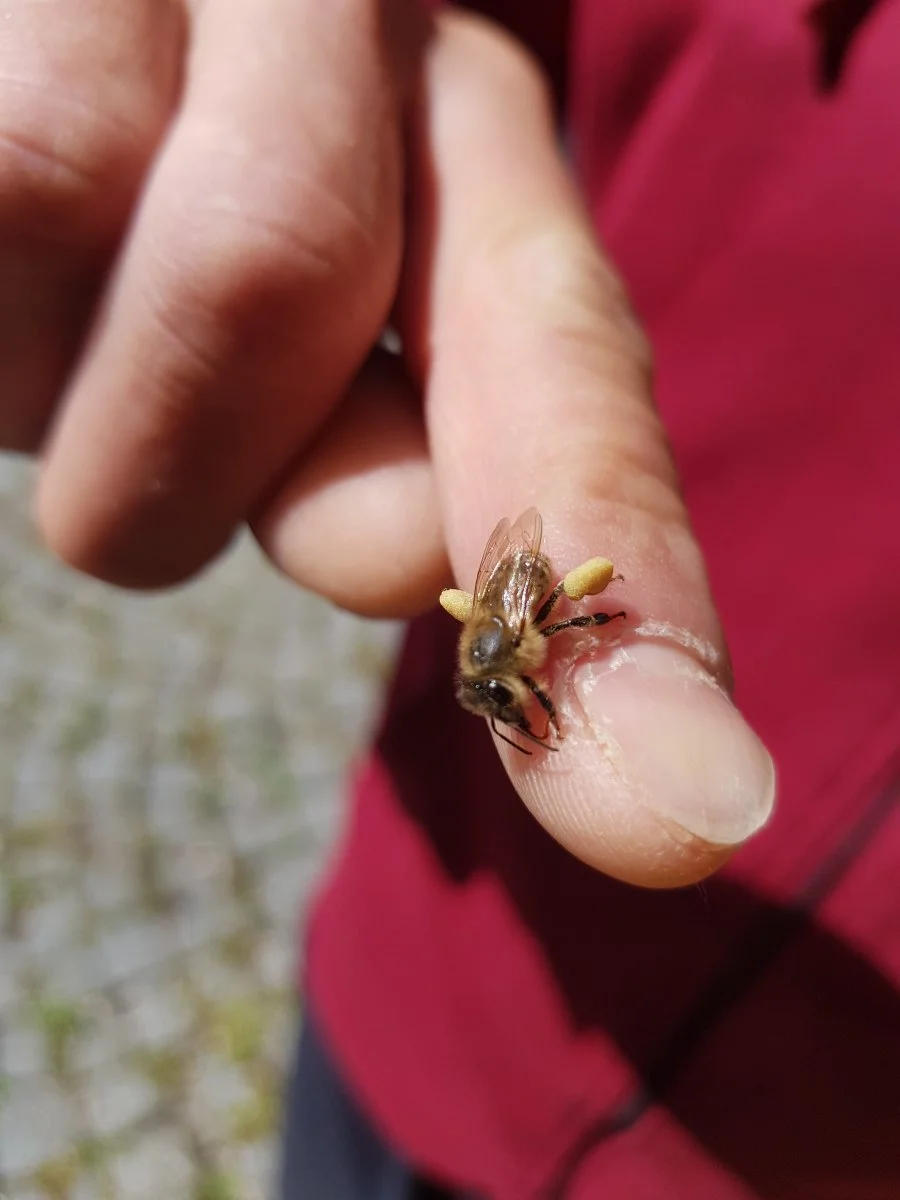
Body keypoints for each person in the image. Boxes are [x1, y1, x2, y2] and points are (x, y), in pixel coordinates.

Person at [2, 1, 898, 1196]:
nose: (520, 698)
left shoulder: (517, 643)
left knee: (576, 627)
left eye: (512, 691)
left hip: (794, 1139)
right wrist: (406, 36)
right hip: (414, 1001)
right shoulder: (499, 670)